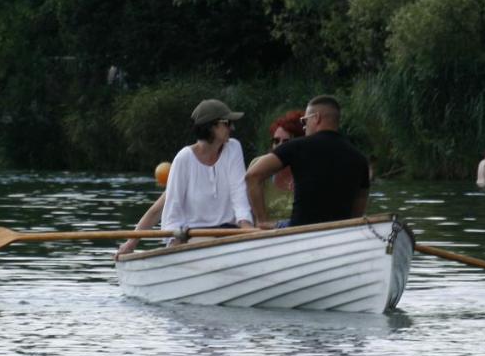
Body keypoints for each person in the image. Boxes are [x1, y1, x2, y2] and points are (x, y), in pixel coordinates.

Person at [116, 98, 254, 256]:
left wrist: (246, 225)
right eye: (228, 123)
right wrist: (131, 243)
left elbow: (239, 193)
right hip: (193, 235)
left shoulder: (234, 148)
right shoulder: (183, 159)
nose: (233, 127)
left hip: (230, 231)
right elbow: (169, 209)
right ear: (212, 126)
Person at [245, 95, 369, 228]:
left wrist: (261, 221)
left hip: (299, 230)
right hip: (340, 231)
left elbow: (252, 175)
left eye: (304, 121)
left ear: (316, 118)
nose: (304, 127)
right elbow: (361, 199)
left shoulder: (296, 147)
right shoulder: (360, 158)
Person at [251, 110, 306, 219]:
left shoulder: (310, 170)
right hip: (267, 233)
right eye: (276, 141)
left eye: (286, 142)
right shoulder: (258, 168)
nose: (280, 146)